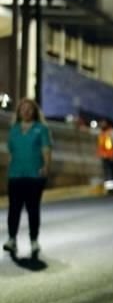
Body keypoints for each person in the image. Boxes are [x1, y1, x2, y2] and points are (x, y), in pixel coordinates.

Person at [3, 99, 53, 260]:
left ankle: (34, 240)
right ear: (18, 112)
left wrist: (46, 167)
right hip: (16, 175)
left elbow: (46, 149)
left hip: (34, 175)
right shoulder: (14, 130)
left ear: (35, 112)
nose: (26, 111)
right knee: (14, 209)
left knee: (32, 209)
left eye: (29, 109)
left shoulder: (41, 129)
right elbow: (11, 153)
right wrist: (9, 171)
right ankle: (12, 239)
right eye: (23, 109)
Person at [97, 120, 113, 195]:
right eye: (101, 123)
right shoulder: (101, 132)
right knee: (107, 173)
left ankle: (112, 189)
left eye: (103, 123)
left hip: (112, 156)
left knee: (112, 173)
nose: (102, 124)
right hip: (104, 156)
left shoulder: (112, 132)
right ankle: (109, 189)